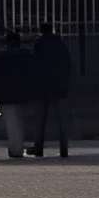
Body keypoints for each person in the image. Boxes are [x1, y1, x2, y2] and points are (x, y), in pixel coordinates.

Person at [31, 23, 75, 158]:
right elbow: (68, 64)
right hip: (60, 86)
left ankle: (38, 149)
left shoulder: (39, 45)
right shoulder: (61, 45)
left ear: (41, 31)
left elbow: (34, 65)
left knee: (40, 120)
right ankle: (64, 150)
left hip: (42, 86)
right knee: (62, 121)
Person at [0, 29, 37, 158]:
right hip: (23, 93)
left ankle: (15, 149)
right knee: (21, 122)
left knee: (11, 123)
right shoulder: (26, 55)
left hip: (7, 94)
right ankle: (18, 147)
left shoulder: (1, 57)